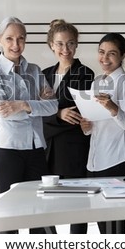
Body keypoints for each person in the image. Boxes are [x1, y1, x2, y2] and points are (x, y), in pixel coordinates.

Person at [0, 16, 58, 233]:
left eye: (21, 39)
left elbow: (53, 107)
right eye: (9, 39)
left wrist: (23, 104)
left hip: (35, 150)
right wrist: (36, 106)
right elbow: (2, 114)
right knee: (8, 220)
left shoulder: (34, 70)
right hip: (7, 152)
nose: (16, 45)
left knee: (40, 218)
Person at [80, 33, 125, 234]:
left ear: (122, 55)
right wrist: (86, 127)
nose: (105, 58)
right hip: (94, 161)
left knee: (114, 224)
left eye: (111, 53)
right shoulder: (97, 82)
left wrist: (113, 108)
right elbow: (95, 125)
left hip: (115, 160)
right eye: (101, 52)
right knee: (100, 220)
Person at [42, 19, 95, 234]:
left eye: (71, 43)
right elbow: (35, 112)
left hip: (72, 149)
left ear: (77, 45)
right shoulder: (43, 74)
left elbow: (77, 113)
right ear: (52, 45)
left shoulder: (85, 74)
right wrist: (58, 112)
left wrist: (51, 110)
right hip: (46, 148)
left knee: (77, 206)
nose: (66, 49)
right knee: (43, 206)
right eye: (60, 44)